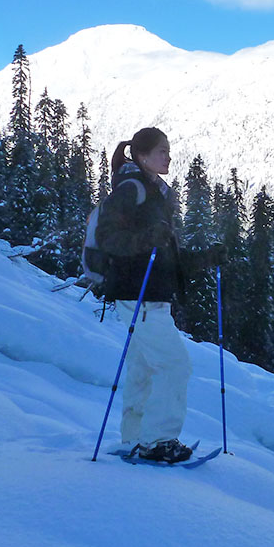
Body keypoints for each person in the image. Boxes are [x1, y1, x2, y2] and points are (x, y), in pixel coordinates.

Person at [94, 127, 222, 463]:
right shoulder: (131, 189)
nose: (168, 156)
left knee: (145, 368)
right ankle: (159, 440)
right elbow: (109, 238)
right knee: (175, 365)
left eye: (168, 150)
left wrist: (206, 258)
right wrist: (147, 238)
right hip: (140, 294)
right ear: (142, 155)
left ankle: (134, 437)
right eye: (162, 150)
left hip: (146, 293)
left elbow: (164, 253)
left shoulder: (154, 193)